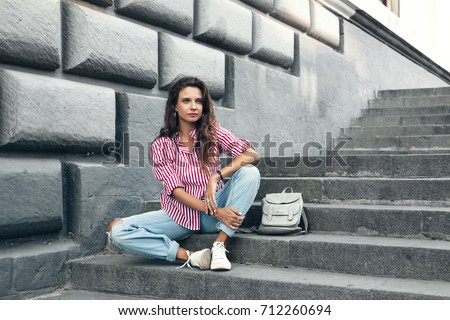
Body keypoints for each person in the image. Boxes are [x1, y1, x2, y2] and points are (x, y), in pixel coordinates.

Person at [107, 76, 260, 271]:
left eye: (198, 101)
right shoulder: (162, 144)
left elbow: (251, 154)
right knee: (117, 230)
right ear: (175, 106)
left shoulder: (213, 133)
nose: (193, 106)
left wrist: (217, 176)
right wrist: (216, 212)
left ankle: (220, 245)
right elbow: (176, 191)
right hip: (180, 216)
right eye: (186, 101)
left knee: (250, 173)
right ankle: (192, 256)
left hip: (215, 209)